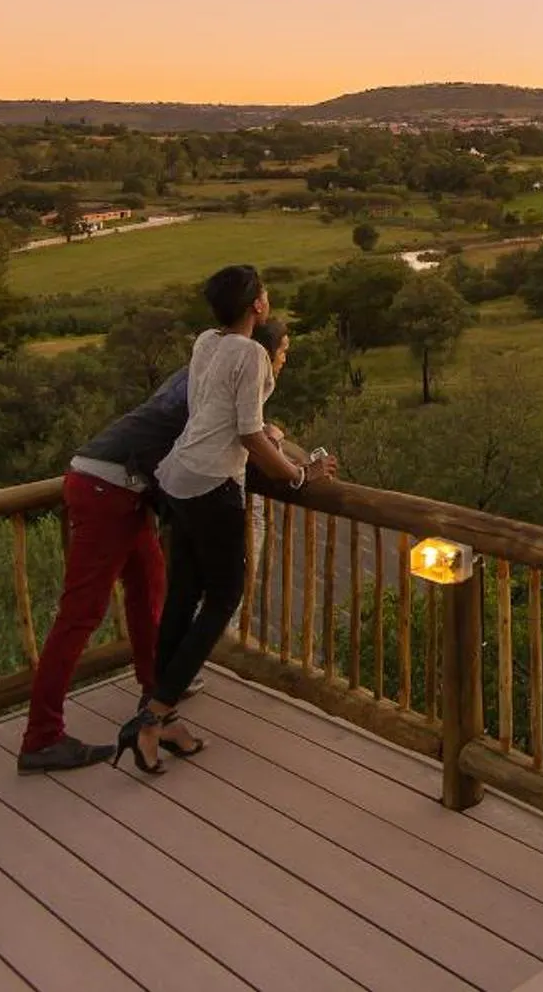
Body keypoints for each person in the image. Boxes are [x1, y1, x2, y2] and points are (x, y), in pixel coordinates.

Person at [13, 319, 289, 771]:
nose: (280, 362)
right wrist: (283, 456)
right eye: (280, 353)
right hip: (108, 486)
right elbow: (235, 440)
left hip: (122, 486)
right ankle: (41, 737)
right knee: (80, 615)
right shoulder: (227, 378)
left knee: (149, 593)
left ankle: (156, 693)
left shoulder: (202, 370)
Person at [119, 265, 333, 772]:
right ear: (257, 306)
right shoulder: (253, 352)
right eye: (265, 294)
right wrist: (300, 476)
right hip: (213, 484)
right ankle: (154, 716)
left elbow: (215, 411)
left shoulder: (206, 343)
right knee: (224, 595)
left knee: (184, 595)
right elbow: (249, 436)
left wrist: (270, 437)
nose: (268, 299)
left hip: (177, 477)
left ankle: (158, 712)